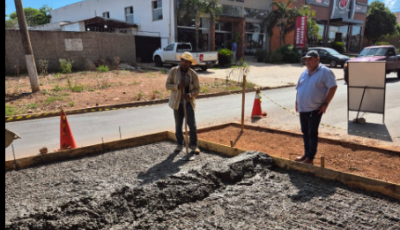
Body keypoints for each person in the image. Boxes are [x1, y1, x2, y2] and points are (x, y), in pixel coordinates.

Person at [294, 50, 338, 164]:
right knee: (305, 132)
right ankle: (306, 154)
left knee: (312, 133)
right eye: (306, 60)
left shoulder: (325, 72)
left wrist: (325, 104)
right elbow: (299, 88)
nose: (307, 62)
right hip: (303, 109)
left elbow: (333, 87)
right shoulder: (304, 72)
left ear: (317, 59)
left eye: (310, 59)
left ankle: (310, 157)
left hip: (315, 109)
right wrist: (297, 101)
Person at [166, 52, 200, 157]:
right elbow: (167, 85)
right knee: (178, 125)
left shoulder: (193, 74)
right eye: (183, 60)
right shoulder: (173, 71)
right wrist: (177, 86)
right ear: (180, 61)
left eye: (187, 61)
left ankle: (193, 145)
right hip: (177, 103)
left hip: (188, 103)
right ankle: (179, 144)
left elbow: (197, 89)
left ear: (190, 63)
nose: (184, 63)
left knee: (192, 125)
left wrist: (189, 94)